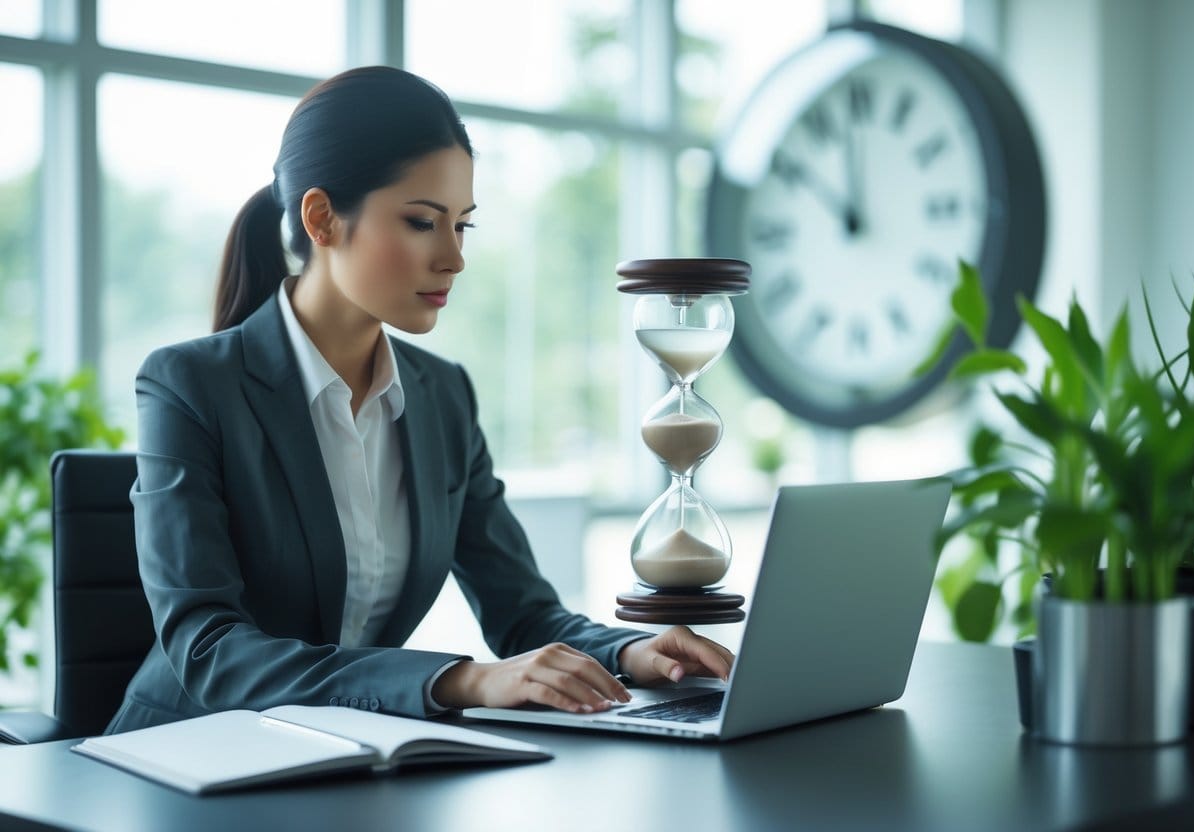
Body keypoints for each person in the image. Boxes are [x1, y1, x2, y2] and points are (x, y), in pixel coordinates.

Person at [107, 66, 733, 734]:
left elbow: (523, 613)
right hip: (181, 754)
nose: (453, 258)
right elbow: (208, 652)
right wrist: (457, 680)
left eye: (461, 226)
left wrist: (631, 651)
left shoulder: (443, 396)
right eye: (420, 222)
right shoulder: (189, 384)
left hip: (349, 755)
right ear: (321, 218)